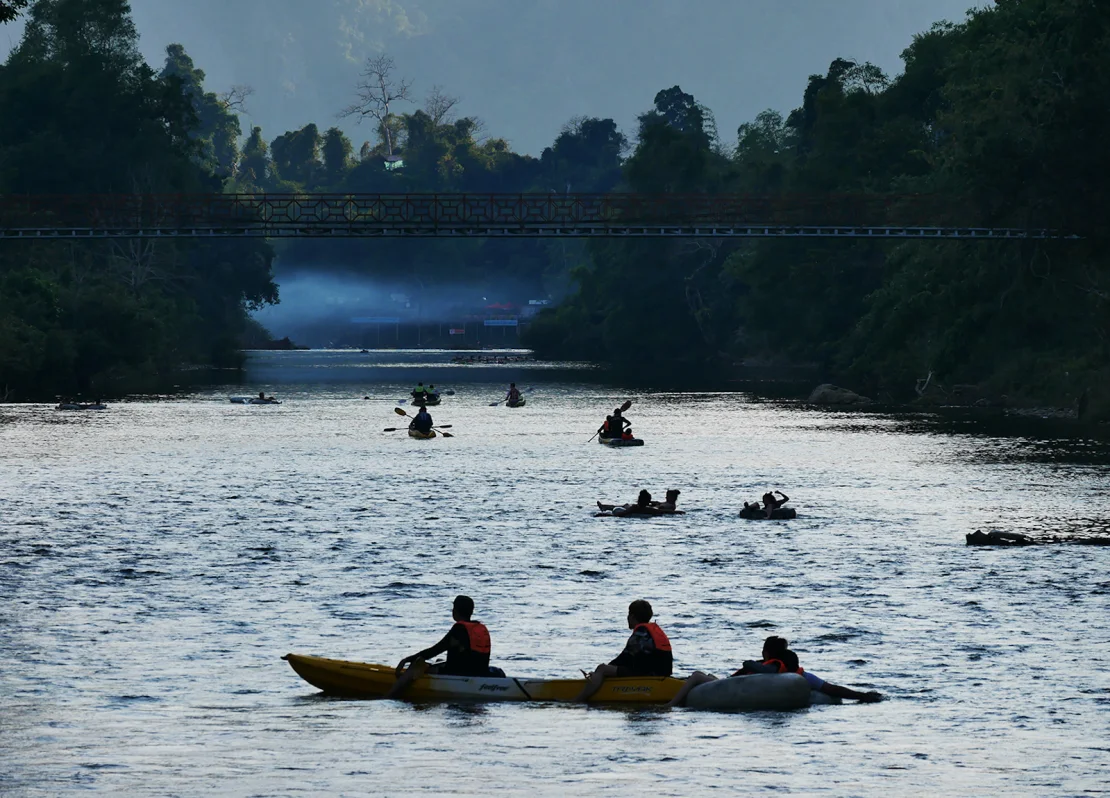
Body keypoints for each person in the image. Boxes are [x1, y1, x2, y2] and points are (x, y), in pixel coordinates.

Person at [666, 635, 883, 707]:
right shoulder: (800, 675)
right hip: (726, 686)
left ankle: (670, 705)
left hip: (718, 687)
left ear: (768, 653)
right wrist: (861, 695)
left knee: (696, 675)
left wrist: (750, 663)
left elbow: (765, 670)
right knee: (700, 677)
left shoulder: (771, 668)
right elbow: (831, 688)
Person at [385, 595, 492, 699]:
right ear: (471, 611)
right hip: (481, 673)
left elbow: (434, 650)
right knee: (439, 660)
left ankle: (390, 696)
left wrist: (407, 660)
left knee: (417, 664)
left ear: (455, 611)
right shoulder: (481, 628)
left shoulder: (459, 630)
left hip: (460, 675)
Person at [573, 600, 672, 702]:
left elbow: (624, 658)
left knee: (602, 668)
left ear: (632, 617)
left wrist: (601, 671)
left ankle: (578, 699)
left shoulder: (641, 633)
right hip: (663, 673)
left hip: (649, 675)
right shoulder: (654, 630)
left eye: (628, 615)